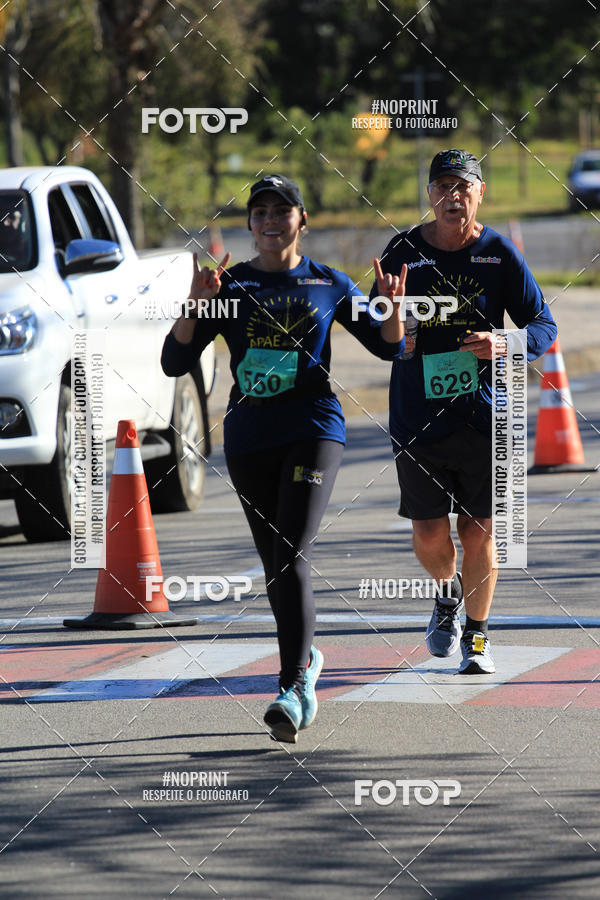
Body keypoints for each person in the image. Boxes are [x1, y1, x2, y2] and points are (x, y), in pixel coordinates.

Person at [161, 174, 405, 741]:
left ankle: (293, 685)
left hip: (314, 430)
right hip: (248, 439)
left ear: (302, 221)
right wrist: (195, 306)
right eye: (260, 211)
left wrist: (391, 308)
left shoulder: (329, 282)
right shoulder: (232, 287)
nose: (271, 220)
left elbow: (389, 346)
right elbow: (176, 361)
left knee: (292, 551)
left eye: (283, 210)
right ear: (250, 225)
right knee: (276, 563)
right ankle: (308, 659)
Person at [372, 149, 557, 674]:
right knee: (430, 533)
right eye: (443, 186)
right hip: (418, 417)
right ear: (429, 194)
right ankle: (446, 594)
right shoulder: (403, 249)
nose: (453, 196)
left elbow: (543, 327)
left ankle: (477, 636)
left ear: (481, 193)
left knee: (479, 530)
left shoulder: (499, 253)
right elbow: (380, 336)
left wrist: (504, 342)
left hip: (484, 416)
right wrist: (387, 313)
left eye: (464, 187)